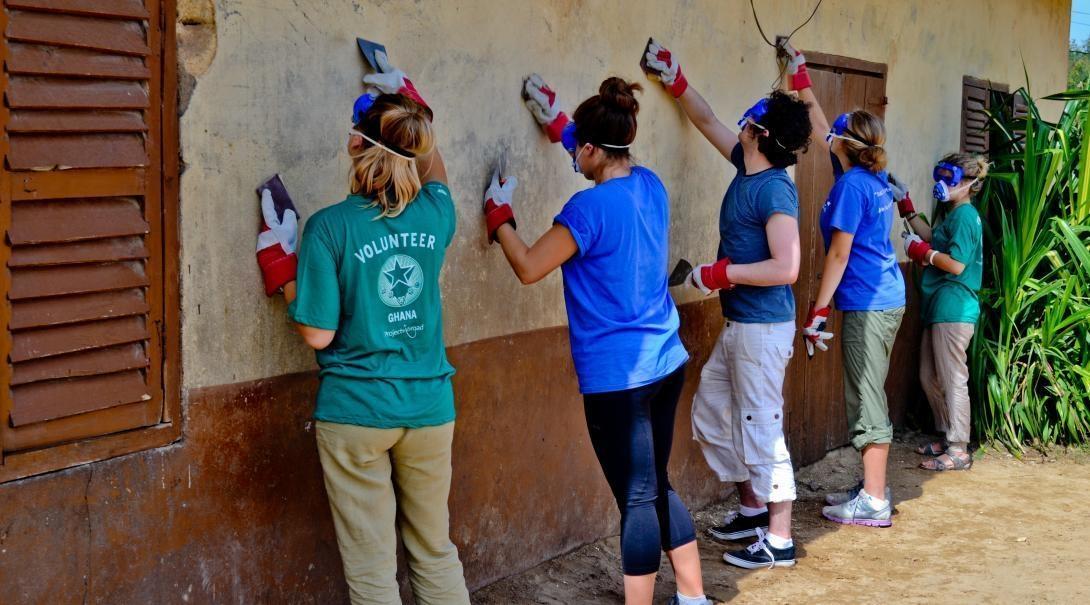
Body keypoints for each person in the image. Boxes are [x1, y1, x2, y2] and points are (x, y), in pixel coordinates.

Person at [255, 55, 470, 605]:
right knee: (434, 548)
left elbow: (318, 334)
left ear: (355, 148)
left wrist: (282, 272)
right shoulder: (435, 214)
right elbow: (437, 173)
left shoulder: (328, 227)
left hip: (355, 412)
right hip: (429, 408)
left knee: (372, 568)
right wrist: (414, 108)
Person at [497, 74, 711, 605]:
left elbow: (528, 266)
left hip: (618, 378)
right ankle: (693, 596)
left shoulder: (585, 211)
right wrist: (560, 122)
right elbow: (601, 155)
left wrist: (499, 216)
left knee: (637, 498)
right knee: (657, 483)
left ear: (591, 149)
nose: (575, 160)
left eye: (578, 152)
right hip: (665, 362)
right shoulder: (650, 185)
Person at [642, 39, 811, 569]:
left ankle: (779, 541)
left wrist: (722, 273)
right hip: (741, 326)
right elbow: (708, 119)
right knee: (715, 412)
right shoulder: (746, 164)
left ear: (761, 134)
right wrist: (676, 78)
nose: (742, 120)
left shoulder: (774, 193)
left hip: (763, 332)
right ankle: (754, 510)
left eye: (752, 119)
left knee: (763, 428)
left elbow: (788, 267)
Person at [777, 41, 906, 527]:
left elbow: (838, 252)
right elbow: (818, 119)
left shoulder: (852, 186)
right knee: (865, 388)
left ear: (845, 145)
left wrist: (817, 310)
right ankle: (871, 487)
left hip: (869, 304)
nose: (828, 132)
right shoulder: (867, 176)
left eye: (837, 133)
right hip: (881, 298)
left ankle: (874, 501)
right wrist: (800, 72)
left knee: (866, 395)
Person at [900, 153, 988, 471]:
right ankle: (948, 435)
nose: (942, 184)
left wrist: (924, 253)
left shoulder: (965, 215)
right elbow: (931, 237)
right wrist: (905, 206)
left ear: (968, 184)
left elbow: (956, 264)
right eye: (940, 176)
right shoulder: (952, 213)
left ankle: (959, 448)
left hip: (955, 307)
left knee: (952, 378)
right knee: (929, 376)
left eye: (948, 178)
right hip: (939, 306)